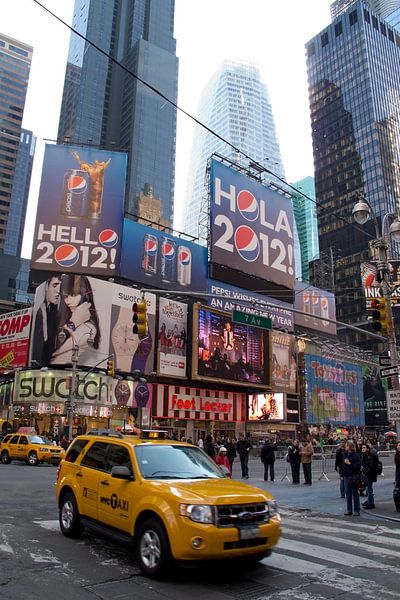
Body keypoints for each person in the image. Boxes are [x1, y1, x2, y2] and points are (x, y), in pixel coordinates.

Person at [50, 274, 100, 365]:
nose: (68, 301)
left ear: (84, 293)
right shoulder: (65, 317)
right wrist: (73, 321)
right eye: (65, 296)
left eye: (73, 295)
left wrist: (73, 322)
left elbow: (54, 355)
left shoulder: (88, 329)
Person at [31, 274, 61, 366]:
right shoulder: (42, 312)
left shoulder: (54, 309)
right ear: (47, 287)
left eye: (60, 286)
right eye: (55, 285)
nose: (58, 291)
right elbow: (42, 343)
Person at [343, 439, 362, 516]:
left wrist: (349, 463)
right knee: (348, 494)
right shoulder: (345, 454)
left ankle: (356, 510)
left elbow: (358, 466)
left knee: (355, 493)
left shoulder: (356, 455)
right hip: (346, 475)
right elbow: (343, 464)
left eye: (346, 446)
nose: (345, 447)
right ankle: (349, 509)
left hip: (353, 476)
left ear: (349, 446)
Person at [361, 442, 379, 509]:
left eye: (364, 447)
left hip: (369, 475)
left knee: (369, 489)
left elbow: (371, 466)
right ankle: (369, 501)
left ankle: (371, 503)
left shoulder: (370, 455)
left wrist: (366, 472)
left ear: (368, 449)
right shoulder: (366, 455)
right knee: (368, 489)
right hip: (368, 474)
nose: (363, 449)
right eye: (362, 448)